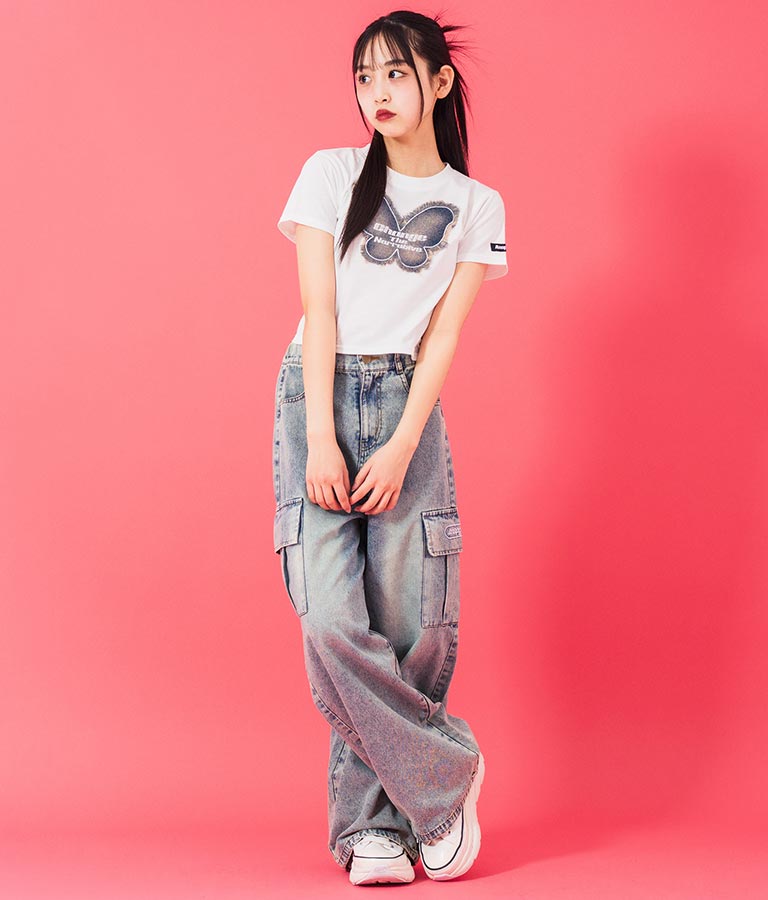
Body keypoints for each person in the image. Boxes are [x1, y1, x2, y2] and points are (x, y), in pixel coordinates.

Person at [272, 9, 507, 886]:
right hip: (317, 391)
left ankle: (374, 829)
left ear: (439, 82)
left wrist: (405, 442)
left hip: (409, 400)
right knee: (332, 620)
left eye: (396, 73)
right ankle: (446, 776)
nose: (377, 91)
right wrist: (321, 441)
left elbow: (444, 337)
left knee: (407, 625)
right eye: (365, 76)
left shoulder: (478, 206)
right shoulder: (330, 173)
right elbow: (321, 309)